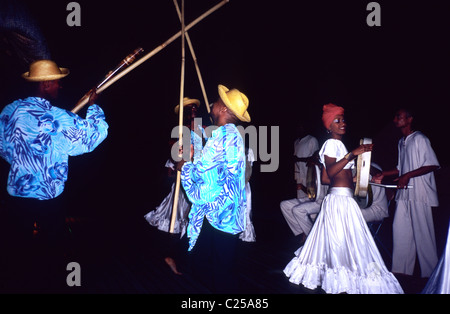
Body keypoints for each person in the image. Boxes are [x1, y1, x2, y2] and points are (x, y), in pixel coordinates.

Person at [0, 59, 108, 288]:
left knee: (16, 246)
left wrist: (23, 163)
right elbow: (91, 138)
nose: (60, 86)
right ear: (46, 84)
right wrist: (94, 107)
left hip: (18, 191)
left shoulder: (10, 110)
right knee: (52, 248)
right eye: (57, 82)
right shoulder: (58, 117)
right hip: (50, 195)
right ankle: (47, 284)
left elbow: (4, 147)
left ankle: (16, 283)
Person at [284, 103, 404, 294]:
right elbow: (331, 171)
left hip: (340, 198)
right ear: (328, 126)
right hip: (340, 200)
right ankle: (342, 280)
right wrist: (353, 154)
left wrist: (354, 178)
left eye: (343, 119)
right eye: (337, 120)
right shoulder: (332, 144)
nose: (342, 123)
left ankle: (340, 279)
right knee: (347, 242)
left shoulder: (337, 145)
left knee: (342, 241)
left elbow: (326, 178)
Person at [177, 84, 249, 293]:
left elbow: (202, 176)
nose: (213, 104)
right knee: (208, 263)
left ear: (224, 110)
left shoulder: (223, 137)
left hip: (222, 214)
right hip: (225, 212)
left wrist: (185, 165)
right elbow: (214, 167)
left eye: (217, 102)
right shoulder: (230, 134)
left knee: (220, 273)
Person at [376, 108, 440, 278]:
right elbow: (401, 168)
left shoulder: (420, 138)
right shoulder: (401, 142)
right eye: (395, 116)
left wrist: (407, 176)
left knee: (423, 235)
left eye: (399, 116)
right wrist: (384, 174)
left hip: (419, 193)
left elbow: (432, 164)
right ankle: (401, 272)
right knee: (401, 230)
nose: (395, 119)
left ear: (410, 119)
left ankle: (431, 275)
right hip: (404, 194)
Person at [144, 97, 201, 275]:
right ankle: (167, 254)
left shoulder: (195, 129)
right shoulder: (180, 132)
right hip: (181, 183)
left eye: (194, 109)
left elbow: (197, 139)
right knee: (173, 220)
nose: (193, 111)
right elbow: (175, 161)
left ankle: (178, 256)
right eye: (190, 109)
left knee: (187, 222)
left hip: (195, 182)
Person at [293, 126, 319, 199]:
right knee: (300, 199)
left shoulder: (312, 140)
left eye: (301, 126)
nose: (299, 129)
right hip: (299, 175)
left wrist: (299, 159)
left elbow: (315, 158)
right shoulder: (296, 142)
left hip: (309, 175)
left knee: (311, 196)